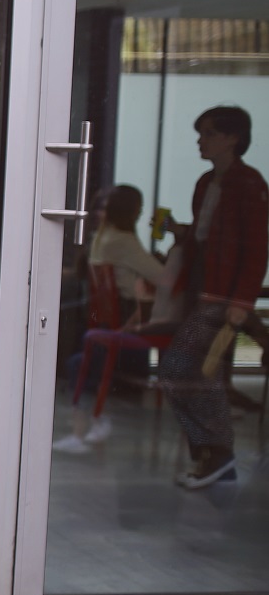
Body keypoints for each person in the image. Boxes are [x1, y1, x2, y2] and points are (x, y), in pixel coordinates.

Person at [159, 106, 267, 488]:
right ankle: (209, 457)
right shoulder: (207, 183)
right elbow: (205, 237)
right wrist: (179, 233)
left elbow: (255, 249)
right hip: (200, 289)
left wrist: (241, 302)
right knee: (181, 374)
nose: (200, 140)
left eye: (208, 133)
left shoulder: (249, 183)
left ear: (232, 138)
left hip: (220, 296)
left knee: (180, 371)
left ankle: (218, 455)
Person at [53, 184, 169, 455]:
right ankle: (91, 422)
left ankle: (84, 426)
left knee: (80, 362)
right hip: (130, 322)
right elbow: (164, 278)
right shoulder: (123, 241)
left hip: (104, 325)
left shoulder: (101, 237)